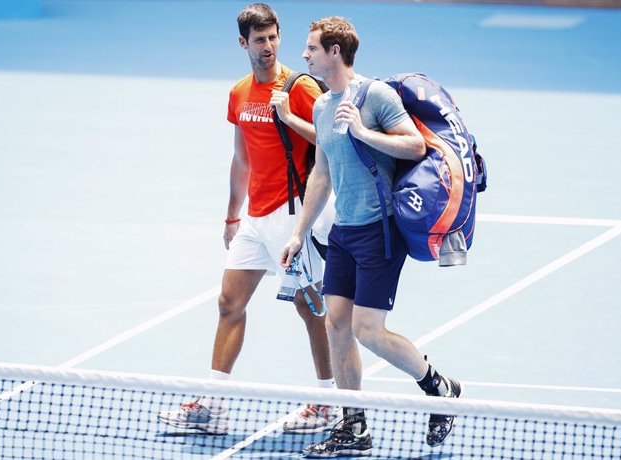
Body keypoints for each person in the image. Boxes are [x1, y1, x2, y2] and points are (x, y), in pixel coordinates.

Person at [280, 16, 462, 457]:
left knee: (367, 330)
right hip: (343, 231)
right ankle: (354, 426)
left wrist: (363, 131)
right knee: (336, 325)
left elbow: (414, 146)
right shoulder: (323, 106)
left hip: (379, 232)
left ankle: (440, 387)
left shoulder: (374, 95)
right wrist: (299, 233)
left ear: (335, 52)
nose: (304, 56)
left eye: (312, 49)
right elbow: (321, 174)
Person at [157, 3, 337, 435]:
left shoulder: (299, 87)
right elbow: (241, 159)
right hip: (255, 220)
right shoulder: (239, 93)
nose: (269, 46)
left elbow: (333, 138)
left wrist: (289, 117)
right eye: (260, 40)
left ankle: (328, 402)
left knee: (309, 308)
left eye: (274, 37)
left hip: (293, 213)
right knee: (229, 303)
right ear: (244, 43)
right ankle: (214, 405)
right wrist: (231, 215)